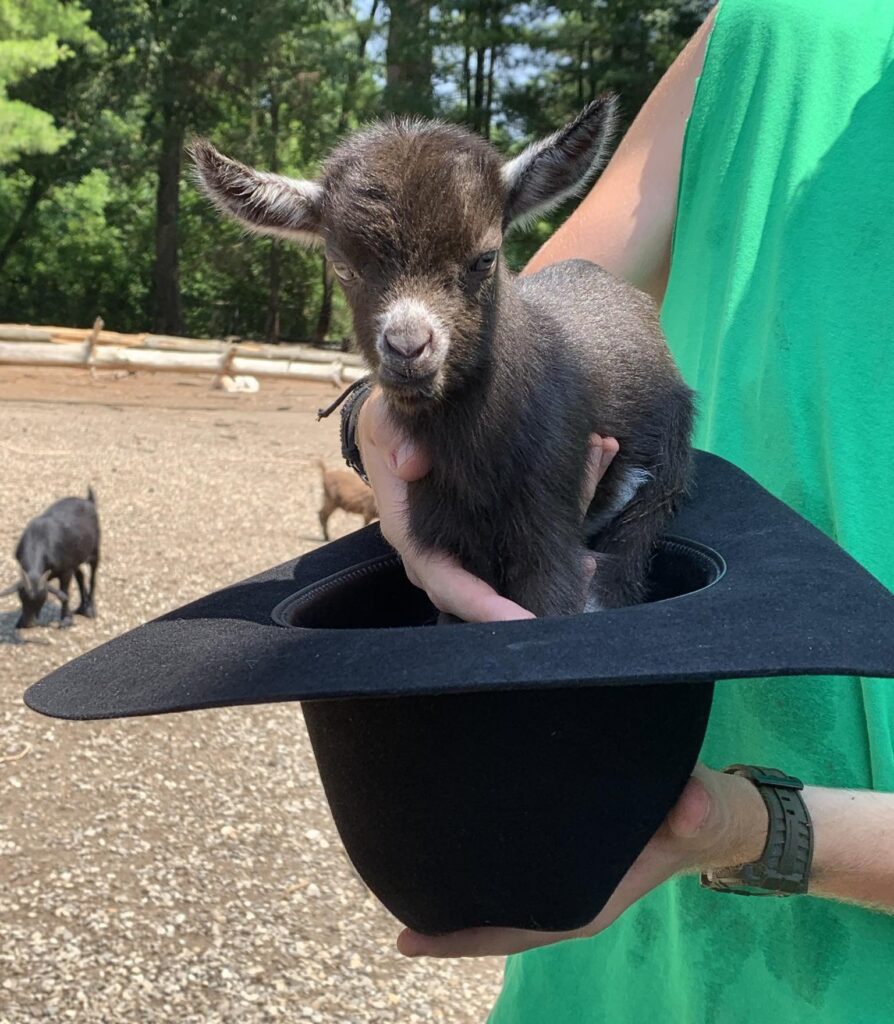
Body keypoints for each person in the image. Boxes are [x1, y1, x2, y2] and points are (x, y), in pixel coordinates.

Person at [348, 0, 894, 1018]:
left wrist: (742, 825)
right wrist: (398, 415)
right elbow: (549, 293)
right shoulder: (777, 27)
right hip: (607, 884)